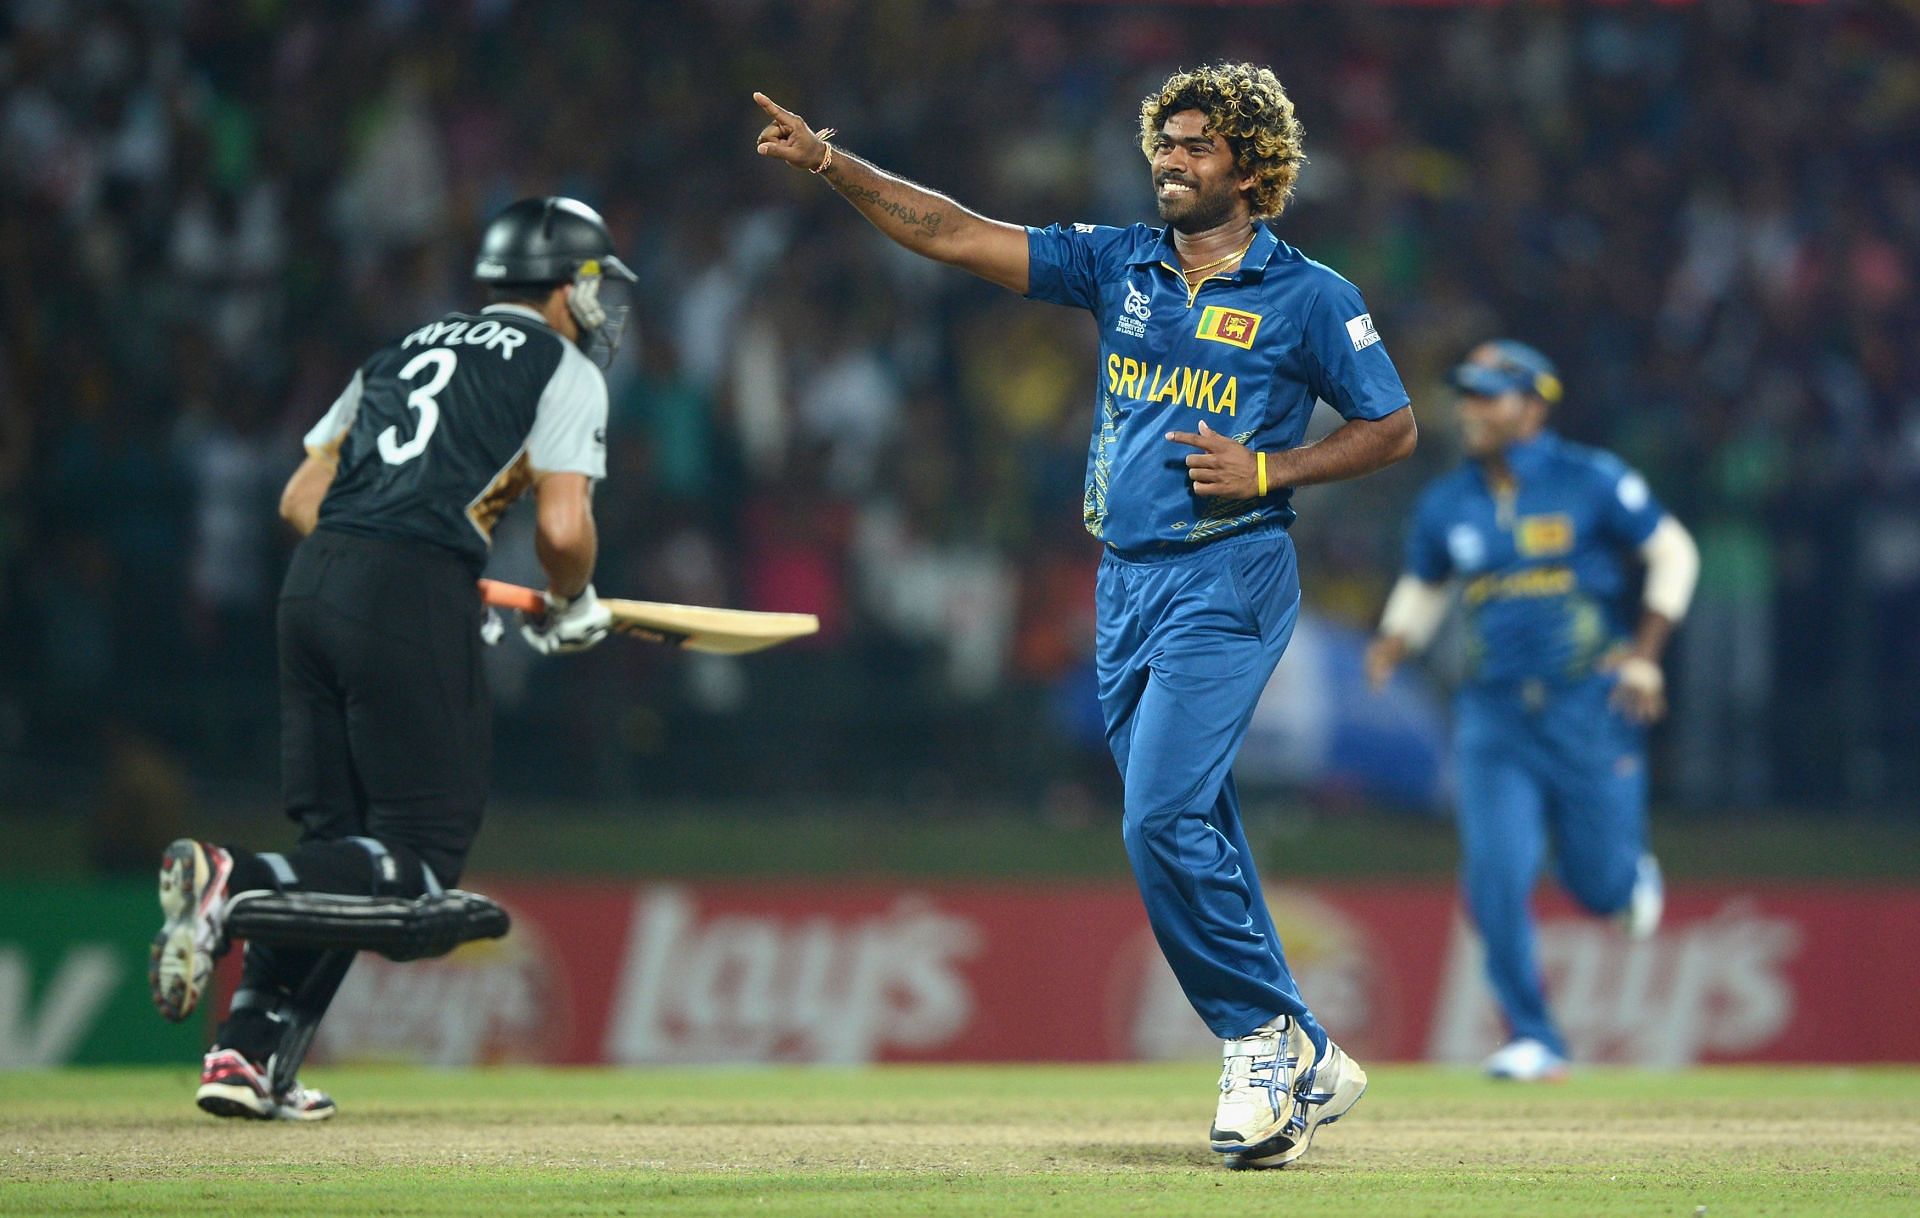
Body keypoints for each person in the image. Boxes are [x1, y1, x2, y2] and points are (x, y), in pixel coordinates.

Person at [753, 63, 1416, 1168]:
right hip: (1125, 581)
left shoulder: (1311, 296)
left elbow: (1391, 426)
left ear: (1251, 166)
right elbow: (959, 235)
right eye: (1165, 142)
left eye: (1197, 146)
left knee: (1156, 818)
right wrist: (832, 164)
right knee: (1193, 817)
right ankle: (1304, 1041)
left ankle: (1257, 1039)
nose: (1171, 160)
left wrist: (1271, 469)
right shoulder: (1122, 263)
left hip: (1231, 572)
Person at [147, 196, 636, 1119]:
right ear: (570, 284)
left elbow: (301, 498)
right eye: (595, 284)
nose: (600, 304)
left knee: (339, 856)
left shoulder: (401, 351)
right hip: (404, 593)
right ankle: (231, 880)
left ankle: (247, 1058)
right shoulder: (563, 368)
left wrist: (436, 573)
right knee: (413, 869)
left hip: (315, 585)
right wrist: (568, 604)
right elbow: (567, 532)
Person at [1364, 339, 1699, 1081]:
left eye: (1490, 394)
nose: (1471, 409)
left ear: (1534, 404)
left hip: (1588, 702)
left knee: (1599, 883)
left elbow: (1675, 554)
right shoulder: (1447, 500)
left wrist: (1644, 653)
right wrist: (1394, 639)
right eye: (1467, 393)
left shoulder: (1591, 478)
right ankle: (1536, 1036)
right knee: (1494, 874)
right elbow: (1427, 583)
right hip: (1494, 716)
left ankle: (1625, 878)